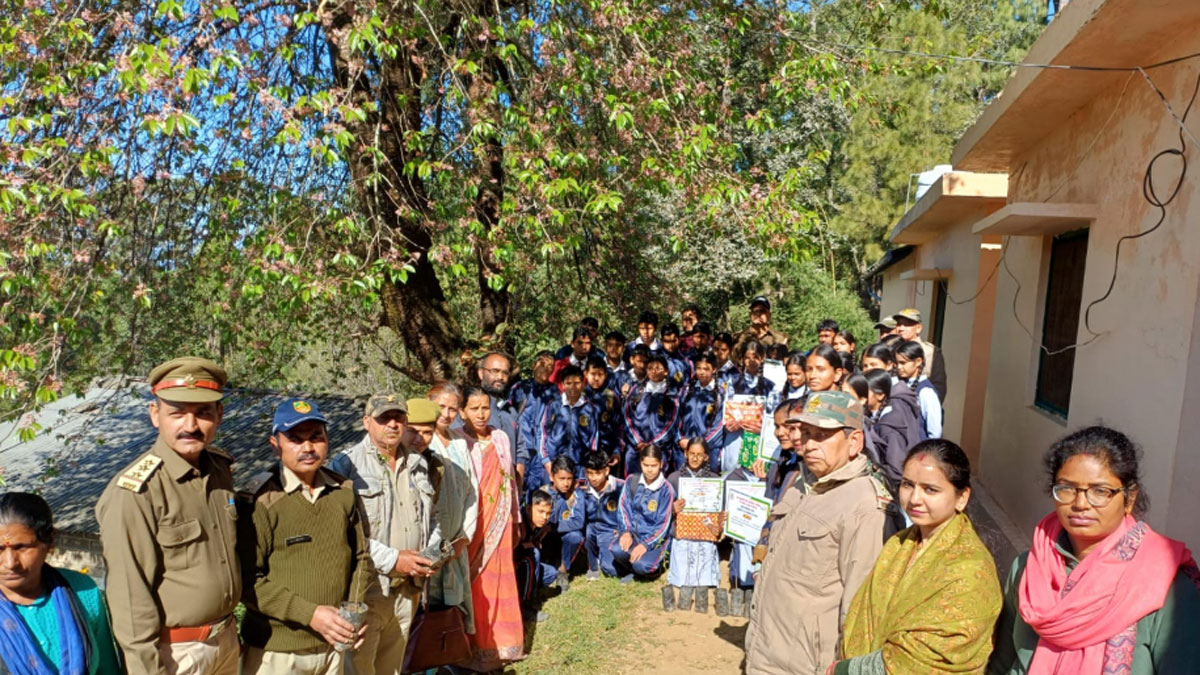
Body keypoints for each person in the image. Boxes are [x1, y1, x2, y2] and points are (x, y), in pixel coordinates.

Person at [988, 426, 1200, 675]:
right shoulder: (1030, 569)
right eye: (1067, 488)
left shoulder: (1166, 586)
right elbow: (1003, 661)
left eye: (1100, 491)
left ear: (1130, 498)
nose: (1080, 504)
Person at [96, 356, 242, 675]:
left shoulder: (220, 471)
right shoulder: (135, 493)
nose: (190, 426)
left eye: (203, 413)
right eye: (177, 413)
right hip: (176, 655)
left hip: (226, 642)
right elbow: (130, 600)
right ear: (155, 414)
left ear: (219, 415)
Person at [745, 391, 898, 675]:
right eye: (806, 433)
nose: (810, 444)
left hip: (808, 666)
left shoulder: (866, 507)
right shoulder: (804, 482)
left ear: (854, 442)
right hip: (767, 653)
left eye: (822, 435)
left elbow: (861, 610)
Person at [834, 440, 1002, 674]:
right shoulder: (899, 544)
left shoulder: (970, 571)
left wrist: (847, 670)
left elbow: (925, 659)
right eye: (907, 485)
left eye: (930, 489)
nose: (914, 499)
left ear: (962, 498)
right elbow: (864, 616)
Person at [240, 398, 371, 675]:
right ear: (275, 444)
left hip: (333, 645)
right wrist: (310, 614)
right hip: (277, 652)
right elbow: (247, 582)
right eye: (295, 439)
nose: (308, 447)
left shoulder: (342, 491)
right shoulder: (261, 500)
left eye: (316, 437)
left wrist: (353, 613)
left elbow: (361, 556)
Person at [328, 394, 437, 675]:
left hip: (408, 588)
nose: (392, 424)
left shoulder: (417, 462)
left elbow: (430, 517)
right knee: (359, 668)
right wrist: (393, 559)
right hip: (369, 590)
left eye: (398, 418)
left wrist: (432, 551)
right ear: (367, 422)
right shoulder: (346, 466)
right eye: (383, 418)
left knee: (393, 667)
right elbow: (341, 535)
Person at [0, 492, 121, 675]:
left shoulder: (82, 590)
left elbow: (107, 668)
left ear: (49, 542)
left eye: (22, 547)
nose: (10, 563)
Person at [459, 386, 525, 670]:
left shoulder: (500, 437)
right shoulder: (456, 441)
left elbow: (510, 482)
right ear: (462, 412)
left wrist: (516, 519)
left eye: (485, 407)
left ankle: (505, 643)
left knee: (501, 579)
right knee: (476, 585)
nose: (481, 414)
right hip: (472, 525)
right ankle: (475, 644)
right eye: (474, 408)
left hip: (501, 520)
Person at [425, 383, 479, 634]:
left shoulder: (459, 442)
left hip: (457, 540)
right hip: (430, 541)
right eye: (441, 407)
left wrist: (464, 536)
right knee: (428, 607)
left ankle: (453, 652)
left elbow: (471, 491)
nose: (446, 414)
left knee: (456, 607)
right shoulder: (420, 441)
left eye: (453, 409)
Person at [664, 437, 722, 615]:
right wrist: (672, 509)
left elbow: (719, 510)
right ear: (685, 454)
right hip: (682, 533)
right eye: (691, 454)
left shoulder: (714, 480)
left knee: (704, 567)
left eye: (699, 455)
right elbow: (663, 508)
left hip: (705, 533)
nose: (695, 458)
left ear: (706, 457)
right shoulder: (674, 478)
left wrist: (719, 524)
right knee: (682, 576)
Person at [611, 444, 675, 582]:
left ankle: (651, 567)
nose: (649, 470)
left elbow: (663, 525)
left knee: (641, 566)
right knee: (616, 549)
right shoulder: (631, 480)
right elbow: (623, 508)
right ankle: (631, 566)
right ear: (640, 463)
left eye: (654, 465)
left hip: (654, 540)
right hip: (633, 535)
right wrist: (626, 532)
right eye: (646, 465)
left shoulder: (666, 489)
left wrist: (646, 545)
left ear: (661, 464)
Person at [533, 365, 599, 488]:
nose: (572, 387)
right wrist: (546, 461)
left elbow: (593, 439)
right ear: (562, 385)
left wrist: (589, 465)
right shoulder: (553, 405)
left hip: (579, 467)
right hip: (554, 464)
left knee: (577, 498)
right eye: (568, 383)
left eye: (577, 383)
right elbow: (542, 433)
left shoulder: (590, 408)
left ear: (583, 384)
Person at [862, 368, 925, 487]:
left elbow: (896, 470)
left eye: (864, 392)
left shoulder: (889, 428)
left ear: (880, 395)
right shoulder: (876, 416)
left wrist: (874, 469)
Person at [621, 352, 681, 476]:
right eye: (650, 368)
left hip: (659, 449)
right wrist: (637, 441)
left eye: (658, 368)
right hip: (636, 448)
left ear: (666, 371)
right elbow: (627, 416)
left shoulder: (672, 394)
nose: (654, 371)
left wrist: (653, 444)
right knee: (633, 481)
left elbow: (672, 423)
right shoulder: (636, 390)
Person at [720, 340, 775, 473]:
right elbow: (725, 411)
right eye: (747, 358)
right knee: (731, 475)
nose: (751, 361)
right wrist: (729, 425)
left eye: (755, 357)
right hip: (735, 439)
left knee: (754, 475)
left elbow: (772, 417)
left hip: (757, 439)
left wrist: (761, 429)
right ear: (742, 359)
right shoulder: (733, 383)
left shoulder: (770, 386)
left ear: (762, 358)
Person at [514, 488, 557, 623]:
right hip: (514, 568)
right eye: (540, 512)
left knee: (551, 573)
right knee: (533, 556)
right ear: (528, 509)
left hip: (525, 567)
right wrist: (525, 546)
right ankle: (524, 606)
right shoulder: (519, 526)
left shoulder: (541, 525)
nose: (545, 517)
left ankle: (530, 592)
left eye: (548, 513)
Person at [581, 450, 625, 580]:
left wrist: (622, 530)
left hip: (611, 531)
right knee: (588, 531)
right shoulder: (583, 489)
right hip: (592, 530)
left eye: (598, 473)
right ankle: (593, 565)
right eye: (590, 473)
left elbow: (631, 512)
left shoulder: (621, 487)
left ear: (606, 471)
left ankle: (604, 556)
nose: (593, 478)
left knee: (611, 570)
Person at [678, 353, 725, 473]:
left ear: (714, 369)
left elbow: (719, 425)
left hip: (709, 449)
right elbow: (676, 417)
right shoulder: (687, 390)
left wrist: (700, 445)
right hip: (685, 446)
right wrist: (680, 439)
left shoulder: (720, 394)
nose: (701, 372)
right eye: (698, 368)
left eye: (706, 369)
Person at [892, 308, 947, 402]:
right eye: (899, 324)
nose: (901, 328)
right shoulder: (892, 349)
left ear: (918, 328)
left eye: (907, 324)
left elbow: (939, 386)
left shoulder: (931, 352)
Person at [895, 339, 943, 439]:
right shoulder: (899, 384)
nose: (899, 367)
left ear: (918, 362)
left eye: (903, 363)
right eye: (897, 363)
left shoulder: (926, 392)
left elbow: (935, 432)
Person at [584, 356, 624, 463]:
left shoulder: (611, 397)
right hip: (582, 449)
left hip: (605, 449)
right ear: (586, 374)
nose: (596, 378)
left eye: (600, 374)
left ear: (605, 375)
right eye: (593, 374)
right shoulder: (579, 395)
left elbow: (618, 426)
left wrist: (616, 451)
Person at [660, 322, 694, 386]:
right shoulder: (654, 359)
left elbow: (689, 385)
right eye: (667, 341)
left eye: (674, 341)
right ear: (661, 341)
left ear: (679, 340)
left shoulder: (687, 361)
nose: (671, 344)